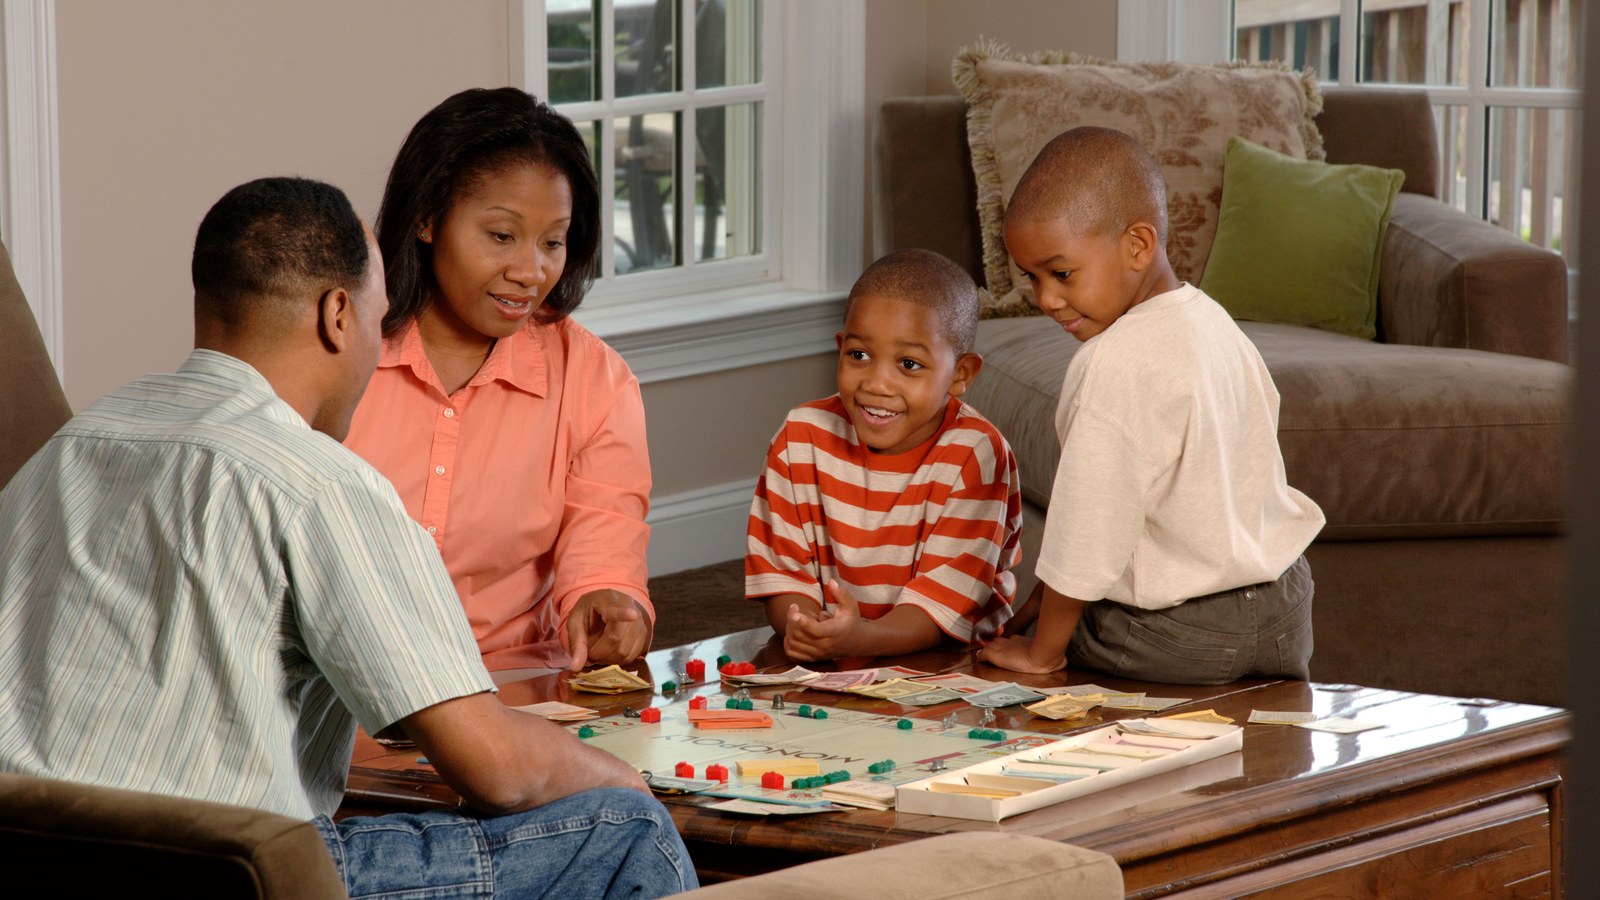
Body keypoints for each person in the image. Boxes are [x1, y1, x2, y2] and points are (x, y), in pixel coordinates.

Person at [0, 178, 697, 898]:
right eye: (379, 316)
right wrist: (629, 781)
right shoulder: (321, 484)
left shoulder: (72, 447)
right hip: (220, 875)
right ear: (338, 315)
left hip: (31, 860)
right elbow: (499, 770)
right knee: (627, 832)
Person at [979, 126, 1326, 683]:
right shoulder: (1215, 323)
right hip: (1285, 608)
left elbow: (1089, 527)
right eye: (1032, 277)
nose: (1045, 299)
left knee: (1037, 651)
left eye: (1062, 273)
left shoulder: (1110, 362)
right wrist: (1042, 603)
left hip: (1180, 634)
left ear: (1138, 245)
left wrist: (1041, 653)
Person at [345, 87, 652, 673]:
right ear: (429, 217)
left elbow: (606, 536)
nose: (530, 271)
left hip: (507, 684)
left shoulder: (594, 379)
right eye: (501, 236)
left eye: (553, 242)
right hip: (344, 689)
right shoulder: (338, 352)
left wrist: (607, 599)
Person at [746, 249, 1023, 661]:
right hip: (837, 653)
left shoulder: (975, 454)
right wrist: (810, 628)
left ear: (961, 375)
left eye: (909, 364)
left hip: (953, 660)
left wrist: (860, 639)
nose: (876, 383)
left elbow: (943, 606)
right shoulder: (800, 436)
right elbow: (783, 578)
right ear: (840, 348)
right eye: (859, 355)